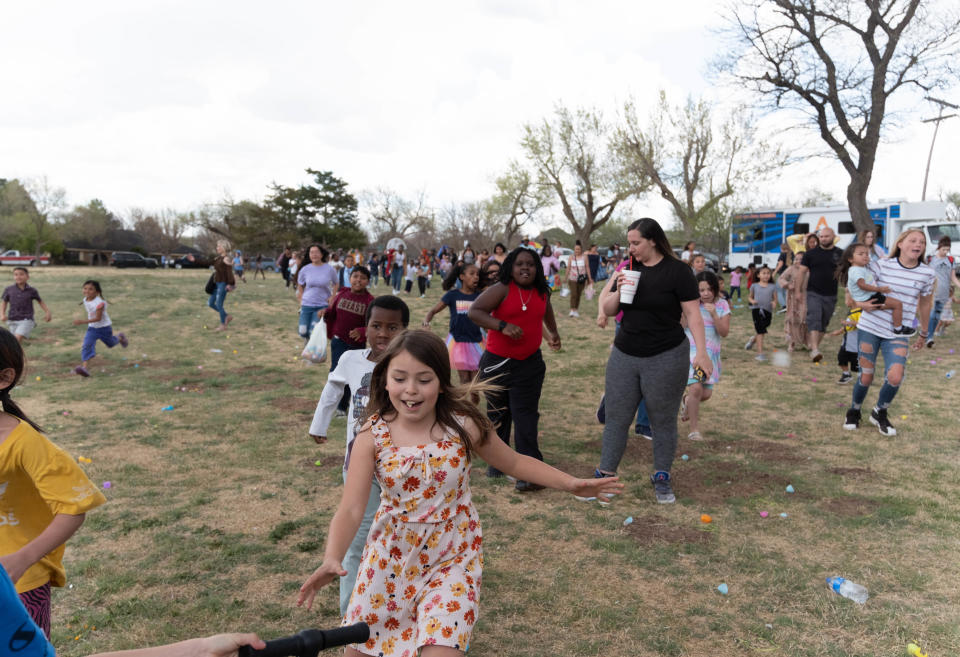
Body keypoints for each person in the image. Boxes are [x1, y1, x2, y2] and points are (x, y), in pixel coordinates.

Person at [296, 330, 622, 657]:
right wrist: (332, 557)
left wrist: (571, 483)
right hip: (388, 561)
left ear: (441, 381)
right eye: (400, 378)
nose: (410, 390)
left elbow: (514, 461)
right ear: (384, 381)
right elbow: (351, 509)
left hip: (452, 559)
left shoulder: (463, 426)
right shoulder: (371, 435)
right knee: (359, 651)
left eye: (424, 379)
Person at [593, 218, 710, 504]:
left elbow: (693, 315)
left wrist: (703, 353)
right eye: (629, 243)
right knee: (617, 418)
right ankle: (604, 478)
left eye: (636, 243)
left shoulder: (678, 272)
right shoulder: (627, 267)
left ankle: (661, 475)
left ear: (653, 240)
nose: (630, 249)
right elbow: (607, 308)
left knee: (662, 420)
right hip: (625, 354)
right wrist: (621, 289)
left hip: (667, 354)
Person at [1, 328, 107, 634]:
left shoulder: (23, 442)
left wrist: (22, 559)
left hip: (17, 583)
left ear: (4, 378)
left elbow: (73, 508)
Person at [308, 296, 408, 615]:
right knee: (357, 539)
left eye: (392, 327)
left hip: (403, 469)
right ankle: (351, 614)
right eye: (376, 325)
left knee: (398, 538)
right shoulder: (351, 360)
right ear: (365, 327)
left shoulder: (411, 364)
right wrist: (319, 425)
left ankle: (396, 602)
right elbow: (332, 390)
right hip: (359, 468)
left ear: (405, 330)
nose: (383, 333)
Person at [467, 247, 562, 491]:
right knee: (498, 413)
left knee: (525, 415)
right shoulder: (501, 289)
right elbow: (475, 312)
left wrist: (553, 333)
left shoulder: (542, 291)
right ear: (511, 267)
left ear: (537, 268)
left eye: (530, 264)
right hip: (498, 362)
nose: (525, 268)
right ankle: (497, 461)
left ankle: (529, 473)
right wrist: (501, 325)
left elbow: (546, 311)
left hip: (530, 363)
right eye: (519, 264)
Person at [842, 229, 934, 435]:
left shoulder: (927, 273)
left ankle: (879, 412)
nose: (917, 244)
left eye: (921, 242)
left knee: (895, 376)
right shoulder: (880, 265)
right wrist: (859, 304)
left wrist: (925, 332)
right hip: (870, 327)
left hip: (897, 332)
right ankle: (854, 410)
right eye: (912, 240)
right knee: (866, 376)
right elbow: (853, 290)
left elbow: (926, 304)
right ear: (900, 244)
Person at [679, 271, 730, 441]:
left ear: (715, 289)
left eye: (709, 289)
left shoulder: (722, 305)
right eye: (701, 290)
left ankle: (687, 402)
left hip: (712, 354)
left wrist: (715, 314)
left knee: (705, 394)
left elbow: (724, 332)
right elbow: (682, 326)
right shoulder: (690, 304)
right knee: (695, 388)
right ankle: (694, 430)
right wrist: (684, 312)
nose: (705, 293)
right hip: (693, 352)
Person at [324, 266, 375, 417]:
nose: (358, 280)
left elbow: (374, 324)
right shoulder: (342, 293)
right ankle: (329, 404)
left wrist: (361, 331)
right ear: (350, 277)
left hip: (355, 345)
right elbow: (332, 312)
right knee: (335, 373)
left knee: (349, 375)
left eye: (363, 277)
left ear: (367, 281)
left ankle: (342, 406)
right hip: (338, 341)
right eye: (355, 276)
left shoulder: (370, 301)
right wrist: (326, 314)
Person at [423, 263, 484, 386]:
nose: (476, 277)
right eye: (472, 274)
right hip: (458, 341)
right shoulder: (452, 295)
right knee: (464, 380)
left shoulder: (481, 296)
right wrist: (426, 323)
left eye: (477, 274)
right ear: (462, 276)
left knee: (475, 383)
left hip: (476, 341)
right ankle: (465, 404)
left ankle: (473, 401)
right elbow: (433, 311)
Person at [837, 242, 913, 335]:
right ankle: (898, 328)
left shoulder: (860, 268)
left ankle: (882, 312)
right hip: (870, 297)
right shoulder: (856, 271)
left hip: (869, 297)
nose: (865, 256)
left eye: (866, 254)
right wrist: (879, 289)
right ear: (850, 259)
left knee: (891, 305)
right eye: (861, 254)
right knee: (897, 304)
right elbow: (862, 285)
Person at [73, 281, 129, 377]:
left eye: (90, 289)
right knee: (87, 345)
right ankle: (85, 369)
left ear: (97, 292)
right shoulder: (86, 299)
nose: (87, 291)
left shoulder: (100, 304)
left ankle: (120, 337)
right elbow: (88, 305)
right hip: (92, 329)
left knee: (111, 344)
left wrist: (82, 321)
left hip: (104, 328)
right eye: (85, 288)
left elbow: (98, 318)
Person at [804, 227, 843, 362]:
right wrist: (797, 290)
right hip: (813, 292)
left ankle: (814, 346)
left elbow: (845, 272)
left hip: (831, 293)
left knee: (823, 322)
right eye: (821, 237)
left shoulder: (840, 254)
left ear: (833, 236)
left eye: (826, 236)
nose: (823, 239)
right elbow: (801, 272)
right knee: (814, 318)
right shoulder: (810, 254)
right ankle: (815, 350)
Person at [297, 244, 338, 341]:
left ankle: (312, 354)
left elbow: (336, 283)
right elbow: (300, 284)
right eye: (311, 252)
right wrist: (301, 298)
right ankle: (308, 350)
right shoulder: (305, 269)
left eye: (316, 252)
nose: (314, 255)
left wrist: (332, 296)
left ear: (322, 254)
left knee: (313, 332)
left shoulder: (329, 269)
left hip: (322, 305)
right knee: (303, 331)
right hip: (307, 304)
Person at [924, 237, 960, 347]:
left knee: (937, 316)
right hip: (933, 291)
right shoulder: (931, 259)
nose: (945, 252)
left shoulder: (951, 260)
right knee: (932, 314)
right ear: (939, 248)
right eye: (943, 249)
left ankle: (930, 335)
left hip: (944, 292)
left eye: (947, 250)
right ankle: (928, 338)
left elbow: (953, 277)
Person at [1, 267, 52, 344]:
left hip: (26, 319)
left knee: (16, 339)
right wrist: (2, 314)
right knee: (15, 343)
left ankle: (16, 354)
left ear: (27, 277)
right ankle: (18, 355)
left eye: (21, 274)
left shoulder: (32, 290)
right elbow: (4, 302)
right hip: (12, 319)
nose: (18, 276)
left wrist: (47, 312)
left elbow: (40, 301)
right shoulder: (9, 289)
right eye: (15, 275)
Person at [744, 265, 777, 361]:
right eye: (764, 273)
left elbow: (775, 299)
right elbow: (750, 297)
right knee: (760, 330)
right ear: (758, 275)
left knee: (764, 327)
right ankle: (760, 354)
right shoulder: (754, 286)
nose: (766, 275)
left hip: (768, 311)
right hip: (757, 310)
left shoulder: (772, 287)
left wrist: (774, 303)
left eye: (768, 273)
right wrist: (752, 301)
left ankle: (753, 340)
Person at [778, 252, 809, 352]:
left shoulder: (808, 270)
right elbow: (781, 278)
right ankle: (792, 342)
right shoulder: (791, 269)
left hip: (805, 297)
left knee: (804, 318)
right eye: (796, 259)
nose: (798, 261)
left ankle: (806, 340)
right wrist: (787, 284)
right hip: (792, 298)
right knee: (792, 319)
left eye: (801, 259)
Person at [827, 307, 861, 384]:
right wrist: (839, 332)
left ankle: (863, 376)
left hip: (856, 343)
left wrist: (850, 323)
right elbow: (847, 327)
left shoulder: (861, 312)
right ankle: (846, 374)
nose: (846, 302)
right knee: (841, 358)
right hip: (847, 342)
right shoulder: (851, 311)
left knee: (856, 363)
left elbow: (862, 323)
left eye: (847, 298)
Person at [208, 240, 236, 330]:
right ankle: (227, 316)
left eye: (219, 246)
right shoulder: (218, 258)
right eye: (217, 246)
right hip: (216, 284)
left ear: (224, 248)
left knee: (219, 304)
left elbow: (229, 272)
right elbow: (206, 263)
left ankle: (223, 325)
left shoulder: (226, 258)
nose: (217, 248)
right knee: (210, 303)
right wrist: (194, 260)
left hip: (223, 284)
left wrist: (230, 284)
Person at [566, 241, 593, 318]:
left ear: (581, 249)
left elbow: (587, 267)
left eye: (578, 249)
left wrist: (589, 278)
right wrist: (565, 277)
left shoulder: (585, 257)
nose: (577, 251)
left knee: (578, 294)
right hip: (572, 279)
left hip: (582, 279)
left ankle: (576, 310)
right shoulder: (571, 257)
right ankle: (572, 310)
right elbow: (568, 268)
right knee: (573, 294)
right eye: (575, 249)